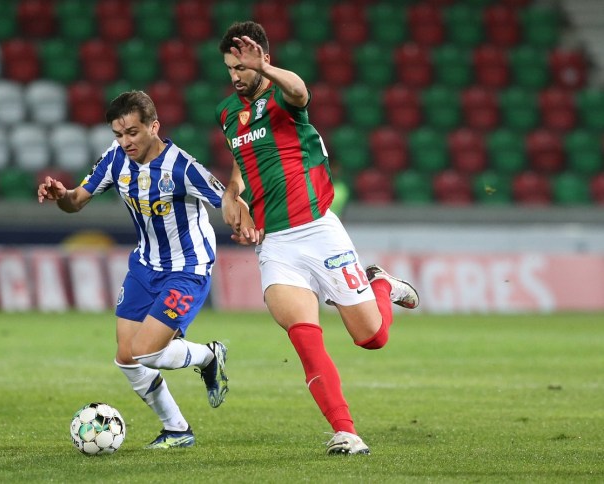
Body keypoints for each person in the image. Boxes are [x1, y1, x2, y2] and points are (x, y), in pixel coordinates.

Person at [216, 21, 420, 455]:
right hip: (277, 245)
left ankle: (382, 283)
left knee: (372, 338)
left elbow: (300, 90)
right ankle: (346, 432)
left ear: (263, 59)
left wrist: (265, 70)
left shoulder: (283, 97)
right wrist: (233, 196)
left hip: (320, 232)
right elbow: (241, 162)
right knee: (306, 341)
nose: (236, 75)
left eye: (243, 66)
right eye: (230, 67)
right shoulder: (228, 114)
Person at [38, 90, 232, 449]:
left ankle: (208, 356)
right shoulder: (115, 159)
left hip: (187, 269)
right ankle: (177, 430)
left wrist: (245, 219)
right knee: (127, 358)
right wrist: (61, 195)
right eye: (118, 134)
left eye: (132, 132)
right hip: (144, 266)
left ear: (153, 127)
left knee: (146, 351)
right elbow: (76, 201)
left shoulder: (182, 167)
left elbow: (228, 201)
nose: (125, 141)